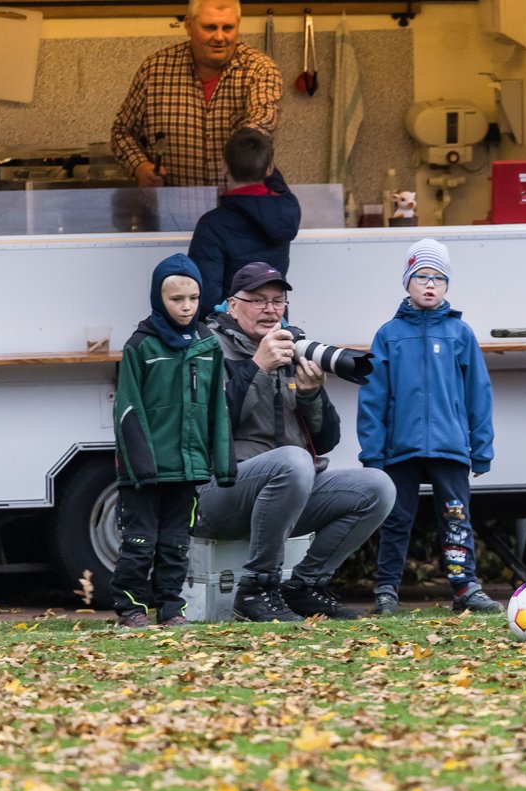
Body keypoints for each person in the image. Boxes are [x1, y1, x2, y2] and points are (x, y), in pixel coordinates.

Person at [196, 262, 396, 622]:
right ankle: (256, 588)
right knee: (293, 461)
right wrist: (258, 366)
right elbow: (209, 427)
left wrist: (311, 395)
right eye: (258, 300)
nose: (270, 309)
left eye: (278, 300)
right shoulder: (209, 349)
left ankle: (305, 586)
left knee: (377, 486)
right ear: (232, 304)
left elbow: (328, 440)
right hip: (221, 492)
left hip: (287, 491)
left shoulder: (293, 347)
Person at [357, 239, 500, 616]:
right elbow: (371, 397)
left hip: (450, 446)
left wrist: (480, 448)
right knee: (395, 519)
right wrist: (373, 452)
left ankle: (464, 586)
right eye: (421, 276)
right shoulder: (388, 335)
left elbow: (478, 396)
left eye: (439, 277)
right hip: (398, 448)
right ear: (407, 282)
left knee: (456, 516)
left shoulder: (460, 334)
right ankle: (387, 589)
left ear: (448, 285)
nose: (430, 284)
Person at [112, 253, 234, 628]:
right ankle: (131, 608)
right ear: (157, 298)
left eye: (193, 299)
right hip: (146, 471)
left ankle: (171, 608)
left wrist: (222, 463)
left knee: (176, 545)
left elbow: (218, 408)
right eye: (176, 299)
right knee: (140, 542)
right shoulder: (141, 345)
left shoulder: (207, 346)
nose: (186, 307)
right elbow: (127, 410)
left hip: (188, 467)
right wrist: (141, 465)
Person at [111, 0, 282, 188]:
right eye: (209, 27)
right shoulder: (155, 70)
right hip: (172, 207)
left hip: (237, 207)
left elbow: (263, 120)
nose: (219, 37)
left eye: (228, 28)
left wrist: (247, 141)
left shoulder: (260, 69)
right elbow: (122, 132)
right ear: (188, 25)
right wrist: (140, 167)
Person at [187, 127, 300, 318]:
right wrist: (258, 148)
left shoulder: (212, 225)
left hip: (233, 334)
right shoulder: (286, 209)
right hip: (275, 326)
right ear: (270, 168)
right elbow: (276, 182)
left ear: (224, 166)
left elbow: (206, 298)